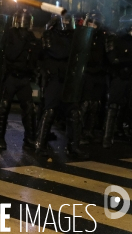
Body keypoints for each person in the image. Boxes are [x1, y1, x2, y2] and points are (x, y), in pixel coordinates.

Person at [35, 14, 88, 159]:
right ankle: (40, 145)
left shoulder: (74, 36)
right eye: (64, 19)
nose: (66, 22)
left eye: (68, 20)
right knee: (50, 111)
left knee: (73, 113)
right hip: (54, 79)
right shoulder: (49, 35)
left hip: (69, 79)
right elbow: (58, 53)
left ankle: (74, 147)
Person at [0, 9, 40, 151]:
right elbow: (11, 54)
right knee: (4, 107)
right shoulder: (10, 34)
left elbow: (35, 56)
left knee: (29, 108)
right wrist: (23, 39)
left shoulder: (31, 36)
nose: (24, 23)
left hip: (24, 77)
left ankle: (29, 139)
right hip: (11, 76)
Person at [79, 11, 109, 145]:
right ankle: (79, 131)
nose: (92, 24)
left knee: (95, 105)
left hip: (98, 74)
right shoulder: (84, 36)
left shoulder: (102, 38)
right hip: (88, 74)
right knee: (85, 104)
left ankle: (88, 131)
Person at [103, 14, 132, 148]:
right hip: (119, 77)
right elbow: (114, 60)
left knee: (127, 106)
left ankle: (121, 131)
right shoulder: (115, 39)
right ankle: (108, 137)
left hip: (129, 77)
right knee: (114, 106)